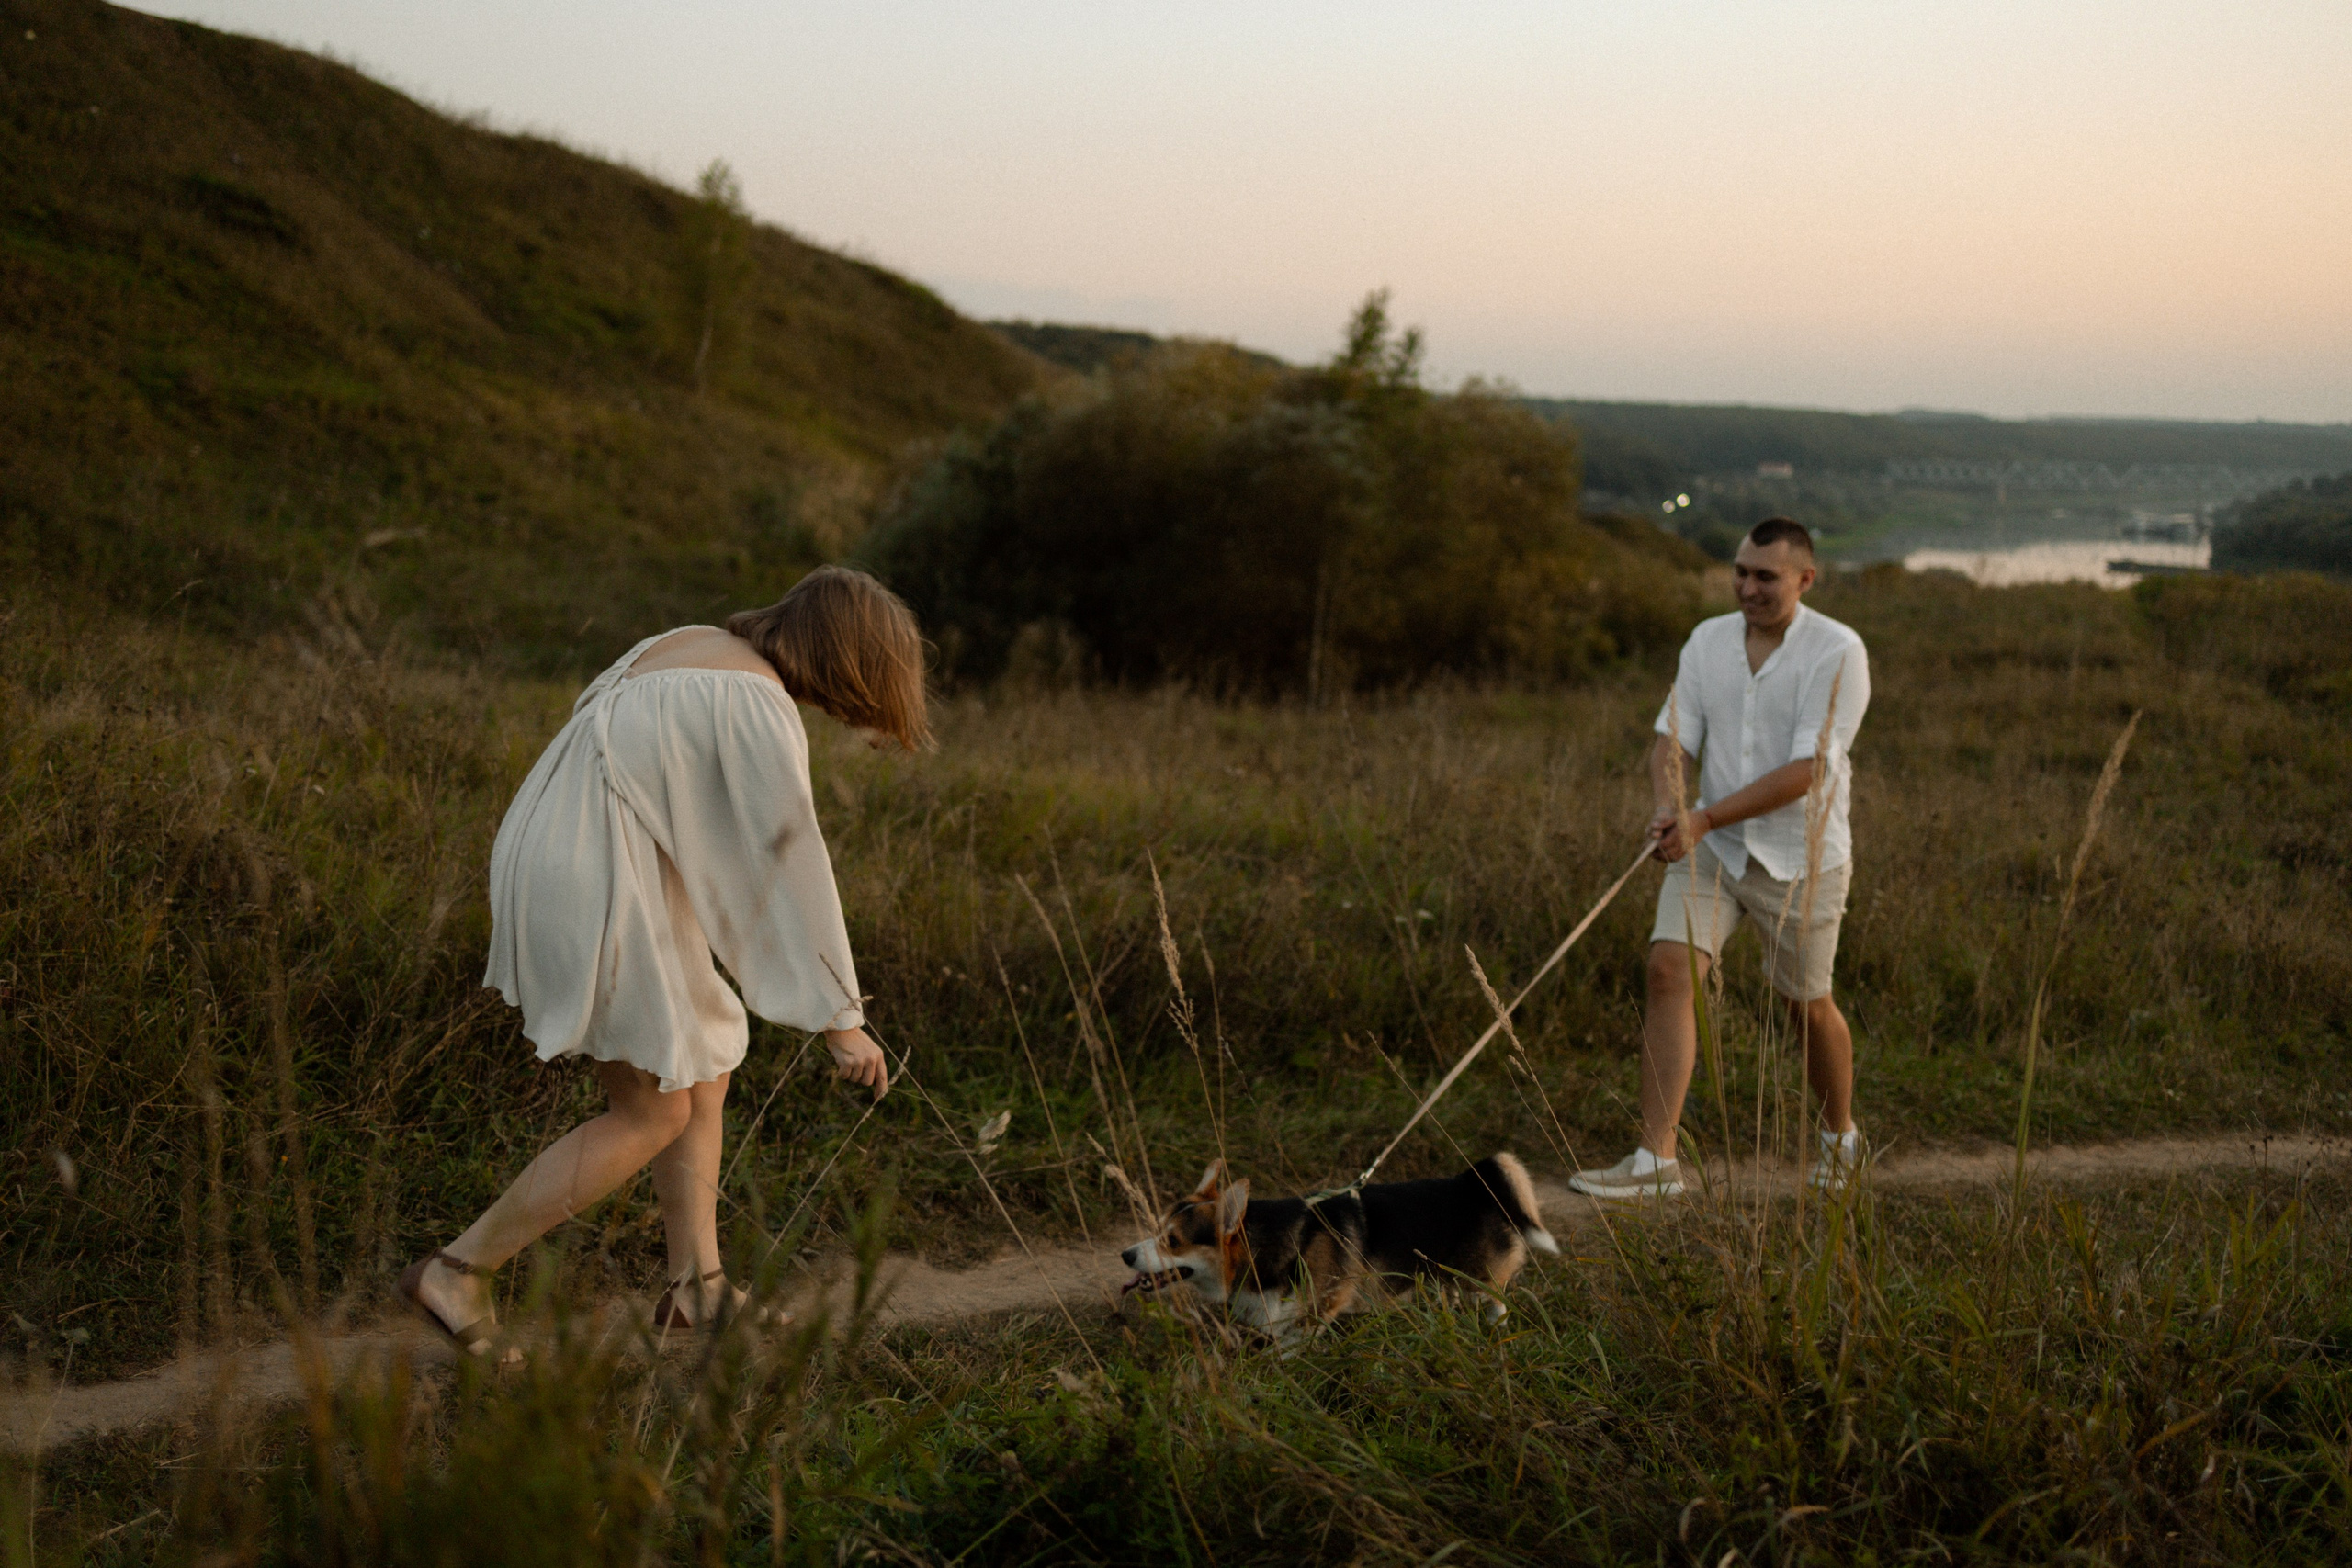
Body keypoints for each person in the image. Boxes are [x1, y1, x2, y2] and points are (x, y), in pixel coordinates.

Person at [399, 567, 926, 1356]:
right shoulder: (755, 700)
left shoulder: (688, 646)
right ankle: (457, 1269)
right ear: (849, 661)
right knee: (652, 1109)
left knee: (700, 1068)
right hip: (597, 873)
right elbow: (784, 862)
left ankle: (697, 1290)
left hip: (562, 854)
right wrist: (839, 1018)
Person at [1570, 518, 1871, 1200]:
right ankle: (1656, 1161)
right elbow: (1672, 739)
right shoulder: (1707, 639)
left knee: (1805, 1007)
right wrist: (1670, 804)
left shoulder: (1839, 651)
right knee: (1669, 969)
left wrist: (1702, 815)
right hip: (1714, 846)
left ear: (1805, 578)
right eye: (1741, 571)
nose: (1748, 586)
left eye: (1766, 575)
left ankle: (1840, 1139)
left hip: (1802, 858)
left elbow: (1808, 771)